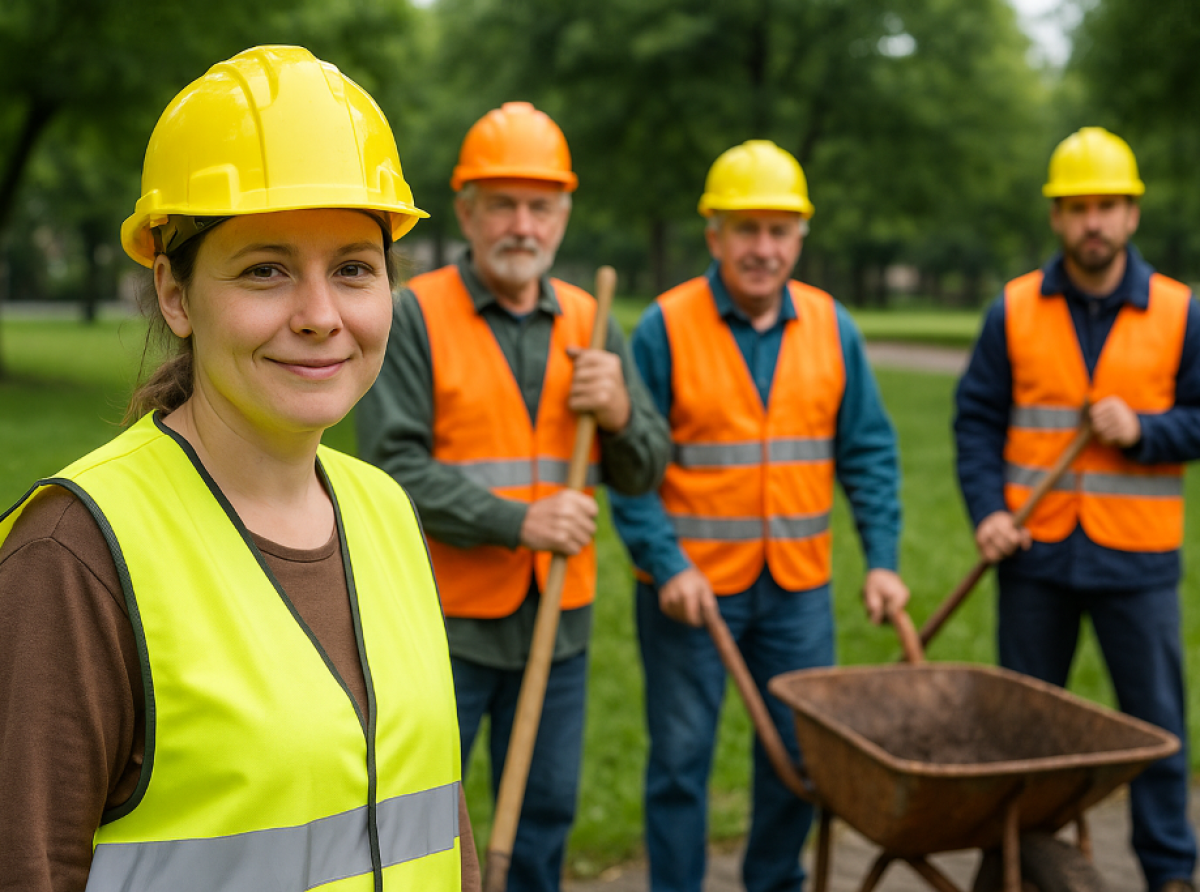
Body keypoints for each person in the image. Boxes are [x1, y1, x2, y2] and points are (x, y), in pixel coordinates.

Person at [0, 45, 479, 892]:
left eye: (354, 269)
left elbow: (439, 836)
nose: (321, 316)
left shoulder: (387, 513)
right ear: (175, 295)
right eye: (266, 270)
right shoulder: (75, 556)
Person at [356, 101, 670, 892]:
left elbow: (645, 470)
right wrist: (518, 520)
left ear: (563, 215)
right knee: (424, 825)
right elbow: (392, 468)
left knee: (546, 815)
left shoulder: (593, 322)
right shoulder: (413, 313)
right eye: (502, 204)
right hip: (444, 623)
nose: (521, 224)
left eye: (541, 206)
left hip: (556, 625)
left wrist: (625, 415)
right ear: (466, 209)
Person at [609, 139, 910, 892]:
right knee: (681, 763)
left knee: (801, 758)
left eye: (780, 230)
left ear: (800, 238)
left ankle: (772, 882)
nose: (764, 248)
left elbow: (868, 451)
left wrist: (881, 559)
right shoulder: (665, 327)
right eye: (746, 229)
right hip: (690, 594)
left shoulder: (833, 326)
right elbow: (628, 467)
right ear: (714, 235)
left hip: (798, 591)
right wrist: (664, 563)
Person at [954, 126, 1200, 892]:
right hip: (1036, 554)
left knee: (1157, 728)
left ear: (1131, 215)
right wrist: (988, 509)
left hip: (1137, 559)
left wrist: (1147, 431)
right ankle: (1017, 864)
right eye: (1076, 207)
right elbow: (976, 420)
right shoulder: (1016, 308)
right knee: (1022, 732)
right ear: (1056, 218)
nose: (1092, 221)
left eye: (1107, 206)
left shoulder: (1180, 311)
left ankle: (1170, 875)